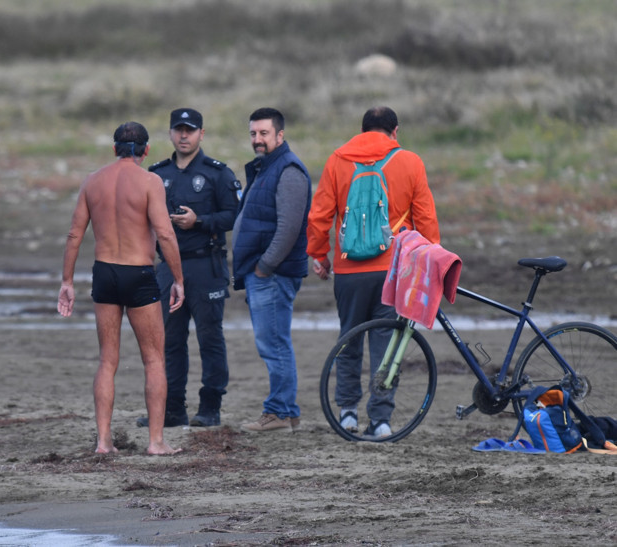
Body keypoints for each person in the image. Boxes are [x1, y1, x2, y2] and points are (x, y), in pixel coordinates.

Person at [306, 106, 440, 438]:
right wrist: (430, 259)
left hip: (349, 270)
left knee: (349, 339)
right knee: (386, 345)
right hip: (393, 270)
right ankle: (381, 420)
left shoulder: (338, 160)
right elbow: (425, 220)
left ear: (363, 130)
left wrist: (320, 255)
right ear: (395, 131)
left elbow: (320, 215)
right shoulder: (410, 162)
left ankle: (347, 413)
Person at [57, 121, 185, 455]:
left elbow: (74, 234)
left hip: (105, 272)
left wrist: (67, 281)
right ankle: (156, 442)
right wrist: (178, 279)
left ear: (114, 149)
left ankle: (103, 442)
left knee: (107, 360)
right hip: (138, 273)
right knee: (154, 360)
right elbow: (165, 233)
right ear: (146, 150)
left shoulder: (92, 181)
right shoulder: (150, 181)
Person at [135, 108, 241, 428]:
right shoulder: (157, 174)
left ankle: (210, 408)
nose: (184, 135)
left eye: (190, 130)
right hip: (167, 268)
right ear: (170, 133)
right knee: (169, 340)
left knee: (210, 338)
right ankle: (172, 409)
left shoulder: (217, 174)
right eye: (179, 129)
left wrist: (200, 221)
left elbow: (235, 215)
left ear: (201, 134)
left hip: (205, 265)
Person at [232, 107, 312, 434]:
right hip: (264, 273)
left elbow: (289, 227)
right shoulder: (266, 167)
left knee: (274, 344)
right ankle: (287, 412)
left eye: (264, 133)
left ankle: (278, 412)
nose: (257, 139)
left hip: (273, 274)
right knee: (274, 342)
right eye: (253, 133)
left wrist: (265, 267)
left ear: (280, 135)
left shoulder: (289, 170)